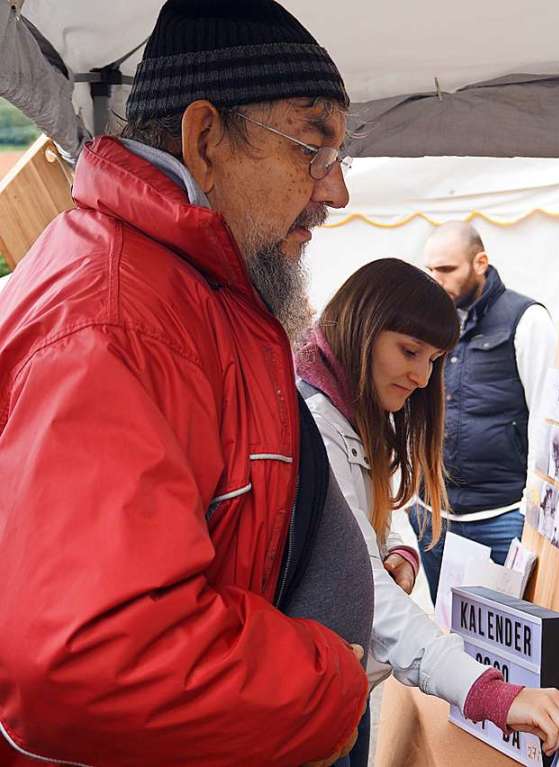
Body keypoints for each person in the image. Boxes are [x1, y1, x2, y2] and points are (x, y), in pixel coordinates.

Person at [0, 1, 371, 764]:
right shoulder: (116, 319)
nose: (335, 192)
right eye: (312, 145)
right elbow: (87, 658)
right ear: (205, 139)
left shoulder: (191, 285)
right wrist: (328, 685)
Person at [295, 258, 559, 764]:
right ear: (363, 326)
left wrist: (400, 547)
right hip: (311, 695)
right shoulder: (318, 422)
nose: (423, 378)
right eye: (410, 352)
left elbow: (372, 509)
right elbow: (370, 591)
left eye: (433, 360)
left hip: (339, 682)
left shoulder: (349, 408)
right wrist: (491, 693)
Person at [413, 222, 556, 600]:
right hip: (433, 515)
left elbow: (547, 418)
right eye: (430, 270)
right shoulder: (428, 320)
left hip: (502, 516)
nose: (435, 279)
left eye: (446, 269)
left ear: (480, 262)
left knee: (506, 642)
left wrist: (531, 514)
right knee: (446, 637)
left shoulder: (527, 318)